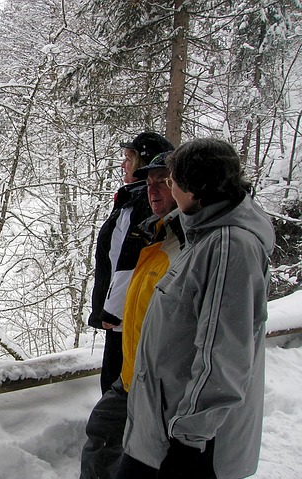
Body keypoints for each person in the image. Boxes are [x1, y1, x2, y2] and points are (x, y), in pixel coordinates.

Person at [115, 138, 275, 479]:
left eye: (172, 179)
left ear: (196, 188)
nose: (166, 187)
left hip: (193, 442)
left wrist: (188, 442)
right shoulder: (204, 236)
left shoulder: (229, 246)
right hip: (164, 428)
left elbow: (225, 354)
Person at [80, 152, 184, 479]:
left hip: (160, 390)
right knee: (103, 434)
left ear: (185, 186)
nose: (153, 191)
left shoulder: (193, 246)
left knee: (133, 456)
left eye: (164, 183)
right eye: (149, 182)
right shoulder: (156, 238)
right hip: (133, 378)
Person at [88, 132, 174, 395]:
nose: (123, 165)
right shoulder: (132, 199)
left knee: (119, 390)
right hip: (126, 316)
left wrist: (112, 311)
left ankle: (119, 437)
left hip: (128, 319)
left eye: (128, 158)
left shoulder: (144, 204)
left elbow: (131, 260)